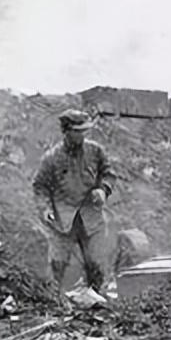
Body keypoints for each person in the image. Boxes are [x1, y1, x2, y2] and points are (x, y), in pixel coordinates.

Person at [32, 109, 115, 292]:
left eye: (84, 131)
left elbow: (108, 174)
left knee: (96, 263)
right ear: (66, 131)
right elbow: (40, 186)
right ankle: (53, 300)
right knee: (57, 265)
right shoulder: (51, 158)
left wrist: (103, 190)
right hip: (63, 220)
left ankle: (98, 299)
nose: (82, 135)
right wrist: (45, 209)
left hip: (91, 217)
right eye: (78, 131)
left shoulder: (96, 151)